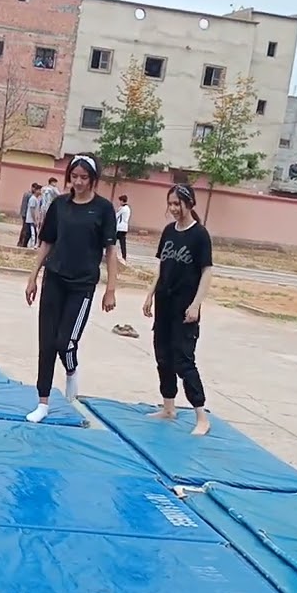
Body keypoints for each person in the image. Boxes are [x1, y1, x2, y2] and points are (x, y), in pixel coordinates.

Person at [24, 153, 118, 422]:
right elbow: (46, 243)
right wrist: (33, 277)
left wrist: (110, 288)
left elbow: (110, 251)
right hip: (54, 278)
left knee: (65, 342)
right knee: (46, 342)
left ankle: (71, 371)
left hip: (82, 284)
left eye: (83, 177)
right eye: (74, 177)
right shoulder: (60, 205)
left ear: (93, 179)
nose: (78, 182)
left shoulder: (103, 209)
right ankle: (43, 402)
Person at [142, 184, 214, 436]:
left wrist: (196, 304)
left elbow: (207, 272)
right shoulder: (168, 232)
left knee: (183, 360)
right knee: (163, 356)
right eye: (170, 204)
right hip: (164, 303)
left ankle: (201, 415)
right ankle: (168, 407)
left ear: (189, 203)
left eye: (177, 204)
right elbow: (161, 266)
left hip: (185, 308)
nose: (173, 209)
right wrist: (151, 293)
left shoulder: (200, 236)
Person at [17, 183, 41, 248]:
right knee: (28, 231)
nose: (41, 192)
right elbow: (31, 209)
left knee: (28, 231)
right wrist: (34, 219)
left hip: (27, 215)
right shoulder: (30, 196)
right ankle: (24, 243)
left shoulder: (34, 197)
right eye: (39, 190)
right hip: (28, 216)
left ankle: (23, 243)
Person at [115, 195, 131, 262]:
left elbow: (116, 216)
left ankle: (109, 253)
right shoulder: (128, 208)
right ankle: (124, 256)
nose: (119, 202)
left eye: (120, 201)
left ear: (122, 201)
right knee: (122, 243)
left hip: (120, 228)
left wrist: (118, 209)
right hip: (125, 228)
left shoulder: (123, 208)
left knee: (112, 240)